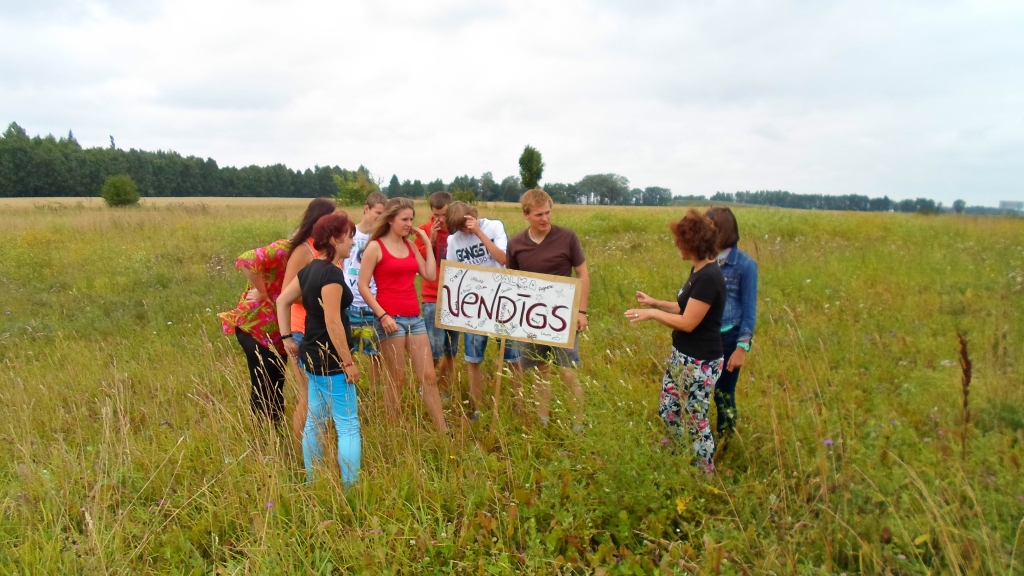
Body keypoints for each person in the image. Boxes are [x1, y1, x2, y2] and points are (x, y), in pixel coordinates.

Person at [625, 209, 726, 474]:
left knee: (696, 420)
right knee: (669, 410)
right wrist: (655, 302)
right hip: (682, 356)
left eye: (680, 240)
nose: (676, 245)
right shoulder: (698, 270)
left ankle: (704, 475)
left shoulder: (708, 277)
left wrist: (653, 314)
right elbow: (686, 308)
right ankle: (679, 459)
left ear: (692, 243)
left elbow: (688, 322)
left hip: (700, 362)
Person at [276, 213, 362, 484]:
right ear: (336, 239)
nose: (352, 243)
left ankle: (312, 479)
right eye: (349, 237)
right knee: (348, 425)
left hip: (309, 357)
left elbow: (282, 301)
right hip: (331, 362)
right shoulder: (332, 276)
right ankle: (351, 487)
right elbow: (333, 321)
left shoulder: (311, 268)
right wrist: (348, 363)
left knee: (315, 419)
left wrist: (287, 338)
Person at [357, 197, 449, 434]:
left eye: (411, 219)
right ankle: (392, 430)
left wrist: (427, 243)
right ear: (390, 220)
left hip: (415, 317)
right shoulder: (376, 246)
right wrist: (383, 315)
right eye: (404, 219)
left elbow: (429, 274)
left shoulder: (409, 246)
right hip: (390, 319)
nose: (409, 224)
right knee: (396, 378)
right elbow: (363, 285)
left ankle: (443, 430)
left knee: (428, 376)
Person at [506, 189, 589, 428]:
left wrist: (581, 312)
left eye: (548, 213)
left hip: (563, 316)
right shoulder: (516, 244)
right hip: (532, 318)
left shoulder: (567, 237)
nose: (545, 218)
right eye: (539, 214)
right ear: (526, 215)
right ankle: (543, 420)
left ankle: (579, 424)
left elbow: (582, 272)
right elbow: (512, 280)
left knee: (568, 371)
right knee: (540, 370)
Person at [444, 201, 522, 419]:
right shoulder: (453, 240)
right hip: (474, 307)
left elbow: (504, 259)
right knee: (473, 358)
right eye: (458, 227)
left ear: (473, 215)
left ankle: (518, 406)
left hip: (502, 301)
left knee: (513, 357)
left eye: (465, 224)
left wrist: (478, 232)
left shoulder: (494, 227)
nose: (463, 231)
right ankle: (477, 408)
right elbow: (453, 273)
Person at [280, 197, 340, 439]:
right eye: (333, 218)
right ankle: (300, 451)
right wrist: (320, 300)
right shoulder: (304, 250)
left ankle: (316, 447)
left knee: (324, 397)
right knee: (308, 395)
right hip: (302, 330)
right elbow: (287, 294)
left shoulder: (330, 250)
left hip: (323, 329)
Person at [218, 237, 291, 425]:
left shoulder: (313, 253)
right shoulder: (286, 248)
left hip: (278, 329)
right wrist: (262, 291)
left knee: (275, 383)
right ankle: (263, 436)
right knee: (264, 383)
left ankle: (275, 430)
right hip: (258, 325)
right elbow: (247, 258)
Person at [705, 207, 758, 442]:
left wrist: (741, 348)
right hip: (705, 338)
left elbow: (749, 310)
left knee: (724, 394)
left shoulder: (745, 265)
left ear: (722, 230)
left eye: (710, 227)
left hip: (729, 339)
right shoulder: (706, 260)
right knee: (701, 392)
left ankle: (726, 440)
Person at [414, 191, 459, 398]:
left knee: (451, 350)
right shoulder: (424, 230)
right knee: (434, 349)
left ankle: (445, 389)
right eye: (436, 215)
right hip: (433, 297)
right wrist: (430, 241)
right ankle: (427, 388)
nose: (440, 219)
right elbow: (417, 262)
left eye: (443, 215)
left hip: (458, 298)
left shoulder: (458, 230)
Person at [342, 191, 387, 386]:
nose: (380, 218)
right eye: (378, 213)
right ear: (366, 208)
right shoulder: (349, 234)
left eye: (384, 215)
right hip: (349, 303)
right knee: (346, 353)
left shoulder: (381, 237)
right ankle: (345, 390)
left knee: (375, 354)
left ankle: (375, 394)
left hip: (373, 304)